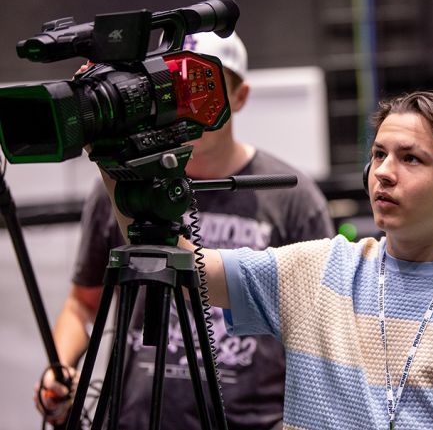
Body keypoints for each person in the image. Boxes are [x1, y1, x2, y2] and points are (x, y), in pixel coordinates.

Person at [165, 91, 433, 429]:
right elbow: (188, 270)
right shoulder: (317, 269)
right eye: (379, 154)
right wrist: (120, 168)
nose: (383, 171)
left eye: (410, 158)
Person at [35, 31, 335, 430]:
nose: (186, 103)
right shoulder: (123, 186)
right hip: (137, 419)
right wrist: (58, 369)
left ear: (240, 97)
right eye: (172, 86)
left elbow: (322, 327)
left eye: (203, 86)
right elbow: (82, 304)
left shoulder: (292, 198)